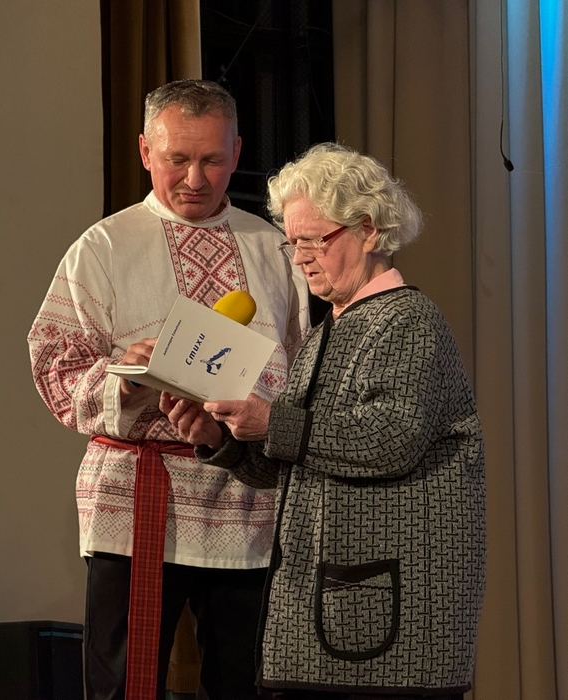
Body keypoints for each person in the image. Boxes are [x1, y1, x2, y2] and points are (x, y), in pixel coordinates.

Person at [161, 143, 486, 699]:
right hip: (328, 618)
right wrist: (221, 439)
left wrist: (273, 422)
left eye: (314, 240)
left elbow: (391, 439)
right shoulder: (326, 332)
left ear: (368, 230)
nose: (301, 258)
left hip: (389, 629)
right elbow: (293, 466)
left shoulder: (408, 320)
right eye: (293, 243)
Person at [28, 79, 309, 700]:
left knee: (248, 686)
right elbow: (54, 367)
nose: (195, 179)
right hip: (137, 493)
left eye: (212, 160)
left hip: (246, 497)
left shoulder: (276, 249)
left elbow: (303, 366)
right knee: (126, 687)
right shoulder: (105, 247)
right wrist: (124, 379)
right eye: (177, 159)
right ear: (144, 151)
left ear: (237, 152)